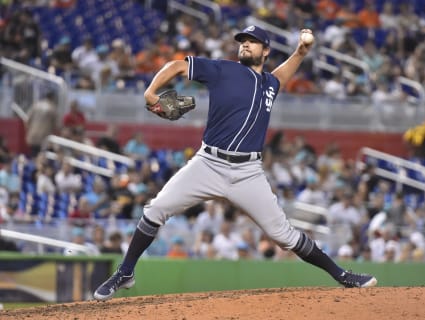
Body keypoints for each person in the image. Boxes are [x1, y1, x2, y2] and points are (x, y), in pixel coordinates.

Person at [93, 25, 377, 301]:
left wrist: (301, 52)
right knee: (156, 209)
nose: (245, 43)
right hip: (208, 163)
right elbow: (178, 66)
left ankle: (342, 276)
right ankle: (125, 272)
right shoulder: (223, 70)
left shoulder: (269, 84)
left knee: (284, 235)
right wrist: (151, 93)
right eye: (243, 40)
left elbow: (282, 75)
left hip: (247, 172)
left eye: (252, 41)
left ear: (265, 50)